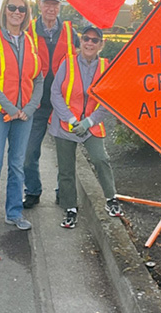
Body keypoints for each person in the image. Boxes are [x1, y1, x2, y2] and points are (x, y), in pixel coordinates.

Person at [0, 0, 44, 230]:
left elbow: (38, 79)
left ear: (27, 14)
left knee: (17, 164)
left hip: (24, 115)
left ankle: (14, 213)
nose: (17, 13)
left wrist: (28, 107)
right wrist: (9, 106)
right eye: (13, 8)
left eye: (22, 9)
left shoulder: (29, 40)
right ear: (5, 9)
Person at [49, 24, 123, 229]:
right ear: (80, 41)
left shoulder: (105, 67)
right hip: (65, 124)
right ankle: (70, 208)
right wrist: (72, 120)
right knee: (66, 169)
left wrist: (89, 122)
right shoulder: (68, 63)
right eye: (86, 39)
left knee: (101, 159)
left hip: (91, 125)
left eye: (94, 40)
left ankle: (111, 198)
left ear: (101, 44)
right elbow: (55, 93)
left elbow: (108, 100)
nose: (89, 43)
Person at [22, 0, 78, 209]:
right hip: (36, 103)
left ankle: (61, 192)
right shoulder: (28, 30)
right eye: (47, 3)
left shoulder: (69, 31)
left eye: (55, 4)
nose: (51, 8)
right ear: (40, 5)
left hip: (61, 104)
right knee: (29, 153)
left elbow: (80, 60)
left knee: (64, 155)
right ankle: (33, 191)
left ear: (59, 7)